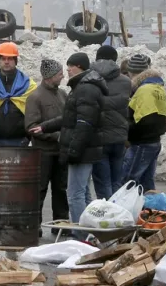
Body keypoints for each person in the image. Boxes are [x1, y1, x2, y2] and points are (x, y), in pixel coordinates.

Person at [40, 52, 107, 229]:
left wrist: (74, 150)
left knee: (75, 194)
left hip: (82, 151)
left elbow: (85, 123)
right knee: (83, 192)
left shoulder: (86, 88)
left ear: (81, 67)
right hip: (85, 149)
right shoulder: (82, 87)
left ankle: (81, 233)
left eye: (72, 65)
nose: (68, 69)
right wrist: (45, 126)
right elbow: (69, 118)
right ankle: (91, 231)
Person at [25, 59, 69, 229]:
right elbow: (31, 126)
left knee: (61, 190)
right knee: (39, 190)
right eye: (59, 74)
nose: (62, 76)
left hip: (60, 152)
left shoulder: (63, 94)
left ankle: (62, 225)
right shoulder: (35, 97)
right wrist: (56, 136)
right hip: (43, 153)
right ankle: (34, 227)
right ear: (50, 77)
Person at [122, 54, 166, 191]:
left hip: (141, 143)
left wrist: (127, 132)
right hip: (153, 142)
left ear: (131, 72)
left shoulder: (144, 90)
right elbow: (165, 117)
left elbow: (145, 120)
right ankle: (151, 211)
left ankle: (126, 211)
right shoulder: (157, 87)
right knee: (146, 184)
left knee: (128, 183)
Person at [90, 46, 131, 200]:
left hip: (99, 138)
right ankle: (118, 213)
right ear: (115, 60)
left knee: (103, 182)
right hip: (119, 137)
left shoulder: (91, 79)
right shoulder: (126, 82)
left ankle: (107, 214)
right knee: (117, 182)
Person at [0, 43, 36, 147]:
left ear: (15, 61)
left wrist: (28, 137)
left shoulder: (29, 86)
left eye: (10, 59)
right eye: (3, 58)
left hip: (20, 141)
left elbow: (34, 113)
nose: (6, 62)